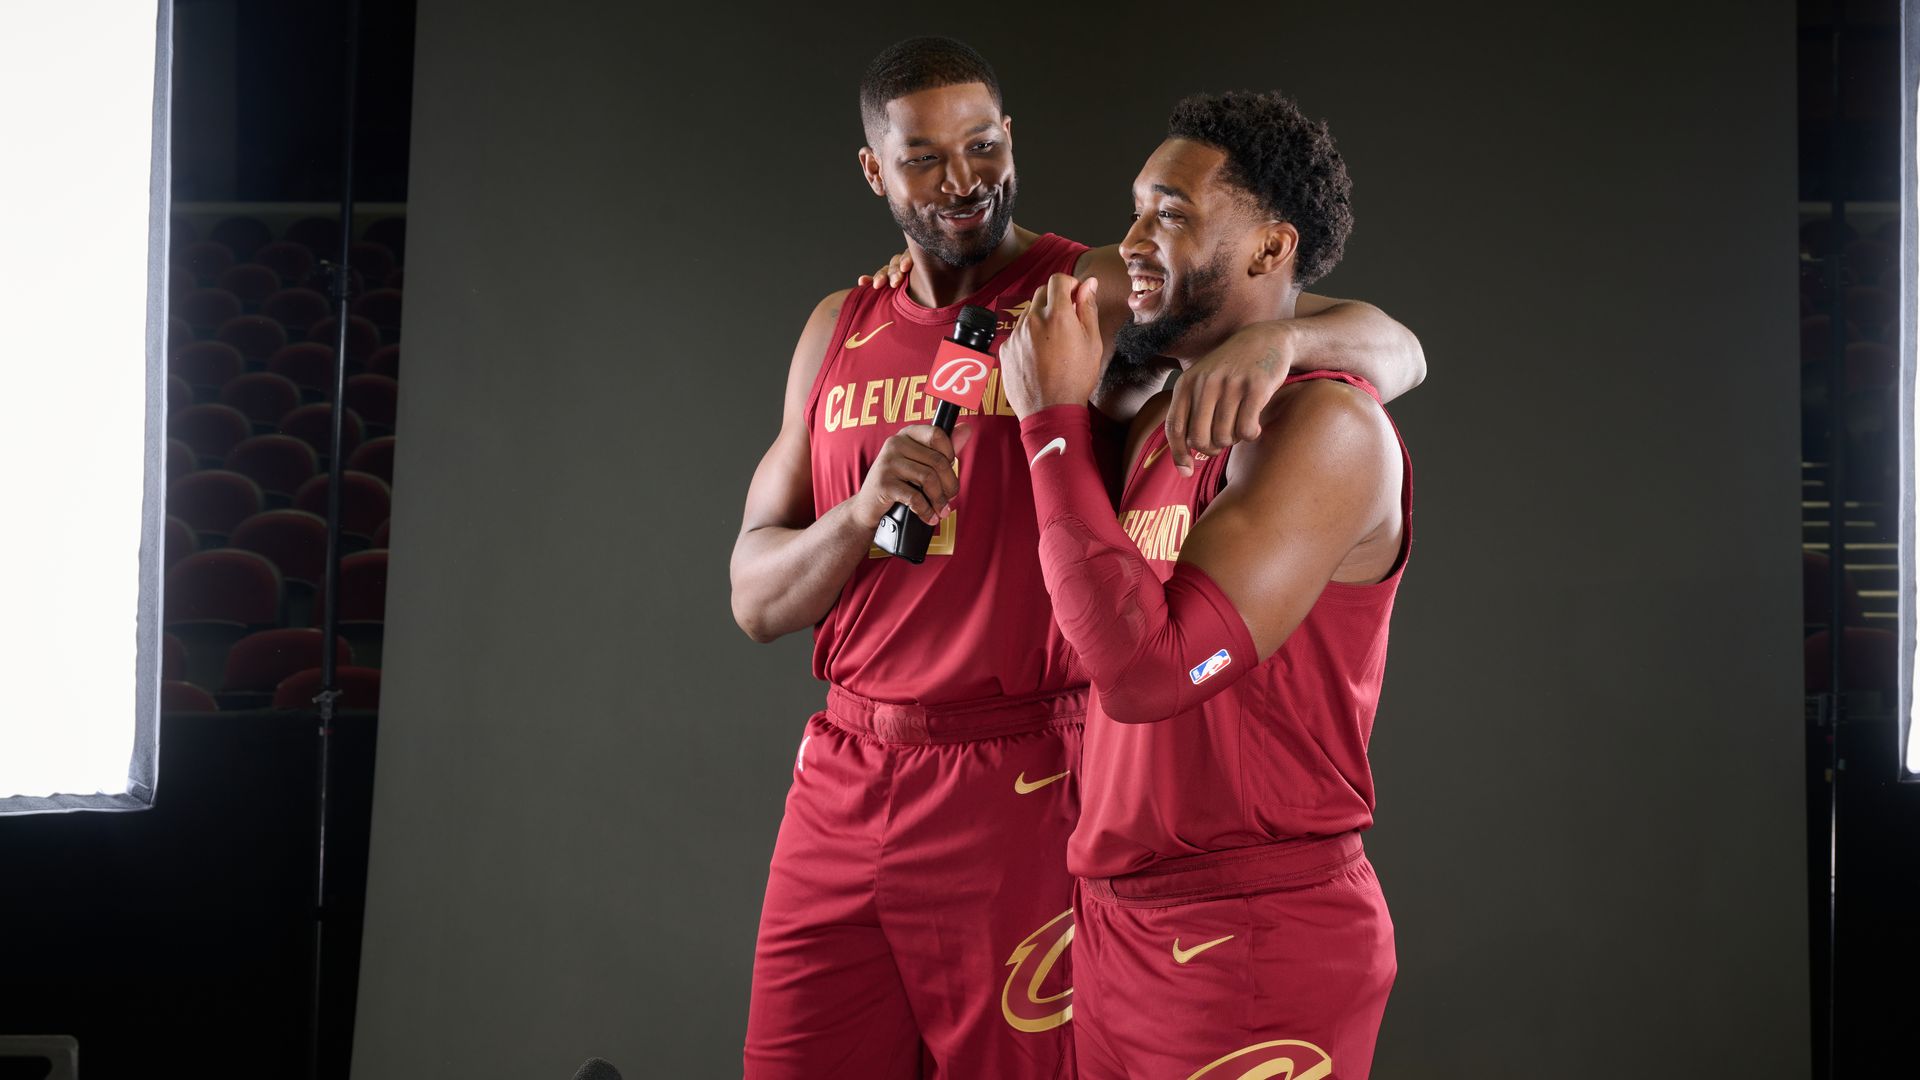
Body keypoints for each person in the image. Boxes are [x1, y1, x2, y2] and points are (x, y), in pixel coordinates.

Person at [730, 38, 1420, 1079]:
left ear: (1012, 139)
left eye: (982, 145)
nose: (962, 180)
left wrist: (1282, 343)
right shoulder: (841, 325)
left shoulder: (1085, 291)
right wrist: (861, 513)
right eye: (924, 158)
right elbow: (752, 597)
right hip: (848, 762)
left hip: (1020, 766)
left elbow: (1389, 340)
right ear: (874, 170)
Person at [1000, 89, 1410, 1080]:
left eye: (1173, 213)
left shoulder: (1330, 430)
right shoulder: (1158, 408)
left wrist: (1051, 423)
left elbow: (1152, 676)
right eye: (1136, 207)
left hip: (1253, 931)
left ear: (1271, 249)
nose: (1135, 239)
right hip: (1117, 924)